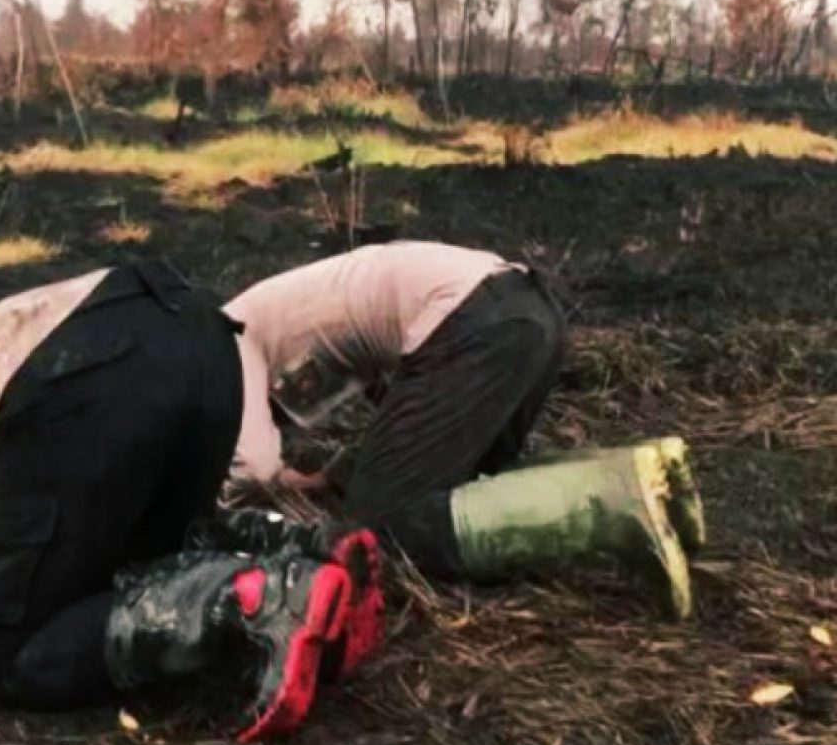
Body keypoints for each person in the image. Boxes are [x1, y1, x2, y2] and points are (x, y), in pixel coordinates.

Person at [0, 258, 384, 740]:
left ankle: (253, 601)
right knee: (147, 553)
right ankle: (313, 555)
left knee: (14, 657)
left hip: (83, 372)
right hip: (194, 334)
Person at [224, 240, 705, 620]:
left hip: (471, 324)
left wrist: (241, 495)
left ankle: (612, 501)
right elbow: (405, 411)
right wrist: (340, 473)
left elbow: (254, 467)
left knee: (377, 527)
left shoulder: (228, 334)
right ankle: (648, 470)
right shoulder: (281, 309)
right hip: (524, 310)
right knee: (479, 481)